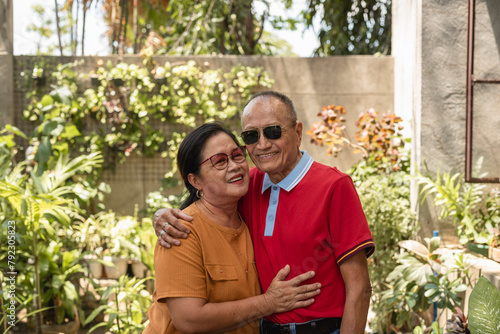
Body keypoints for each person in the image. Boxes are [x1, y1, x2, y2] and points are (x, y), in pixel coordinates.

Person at [154, 91, 375, 334]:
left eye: (273, 131)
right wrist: (163, 215)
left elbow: (360, 288)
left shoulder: (334, 186)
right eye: (251, 136)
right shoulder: (247, 186)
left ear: (298, 132)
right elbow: (207, 198)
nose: (262, 145)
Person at [143, 122, 321, 334]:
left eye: (237, 155)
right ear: (195, 180)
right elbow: (189, 320)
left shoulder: (250, 211)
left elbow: (287, 169)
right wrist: (270, 302)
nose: (235, 166)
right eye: (219, 161)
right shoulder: (180, 231)